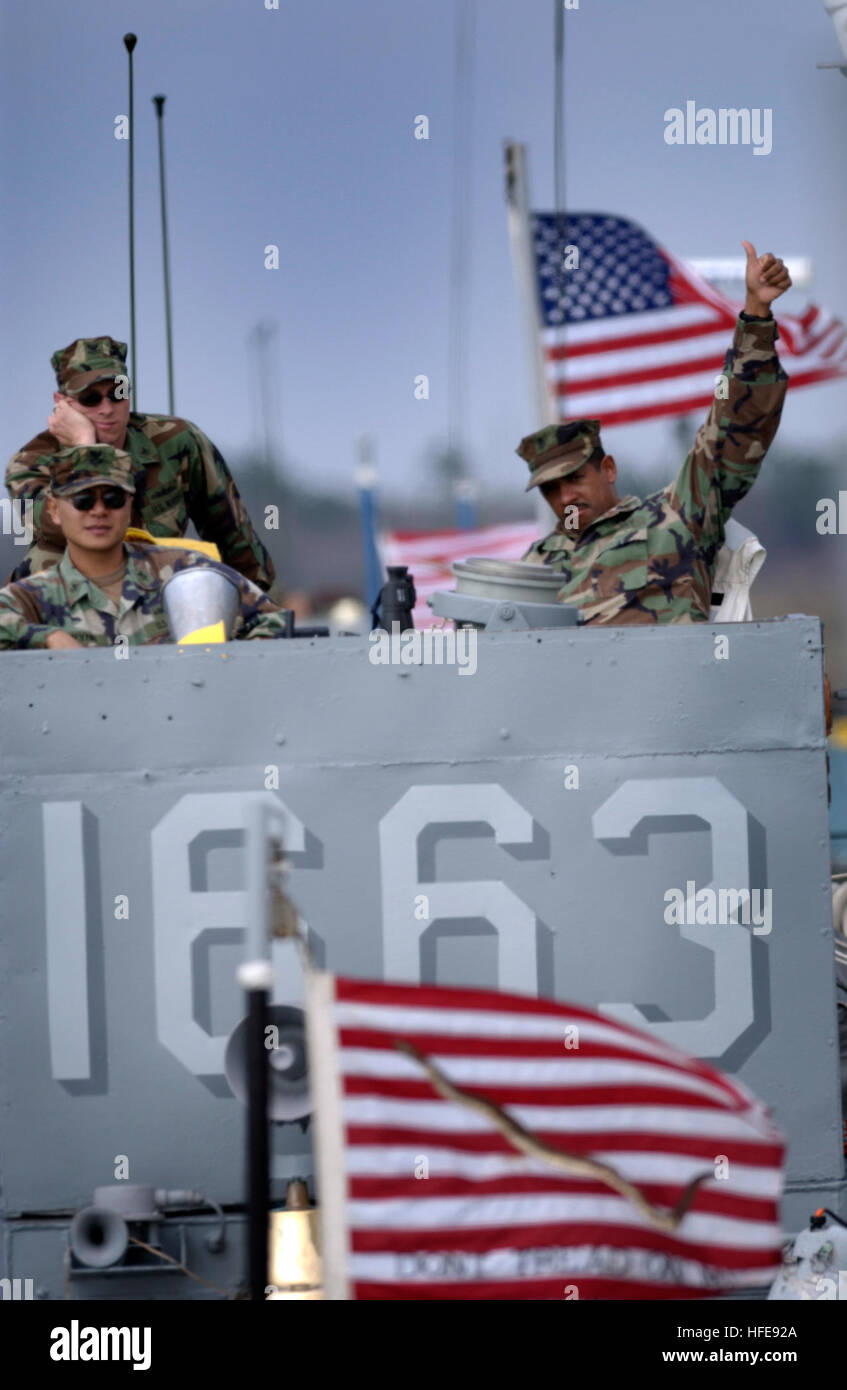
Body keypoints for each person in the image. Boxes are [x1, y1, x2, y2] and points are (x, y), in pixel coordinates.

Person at [519, 242, 791, 625]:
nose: (565, 497)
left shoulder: (674, 518)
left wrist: (756, 315)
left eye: (574, 478)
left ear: (608, 469)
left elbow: (730, 437)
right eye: (551, 489)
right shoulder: (534, 568)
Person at [5, 336, 275, 589]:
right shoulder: (30, 464)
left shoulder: (177, 441)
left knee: (201, 568)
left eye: (117, 393)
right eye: (90, 398)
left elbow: (231, 533)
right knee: (42, 559)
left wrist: (251, 606)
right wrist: (86, 447)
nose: (107, 408)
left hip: (158, 591)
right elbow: (59, 528)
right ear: (61, 403)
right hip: (75, 605)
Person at [0, 446, 290, 650]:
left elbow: (273, 619)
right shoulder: (34, 597)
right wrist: (48, 638)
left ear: (130, 506)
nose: (99, 511)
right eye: (83, 501)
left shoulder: (184, 571)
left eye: (113, 499)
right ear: (54, 510)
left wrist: (225, 670)